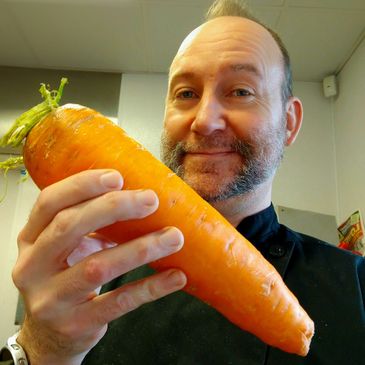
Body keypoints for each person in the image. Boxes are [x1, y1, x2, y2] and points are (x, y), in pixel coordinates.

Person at [1, 0, 364, 364]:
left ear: (289, 122)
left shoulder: (356, 285)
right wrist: (44, 346)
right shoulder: (92, 280)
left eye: (241, 91)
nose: (204, 120)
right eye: (186, 94)